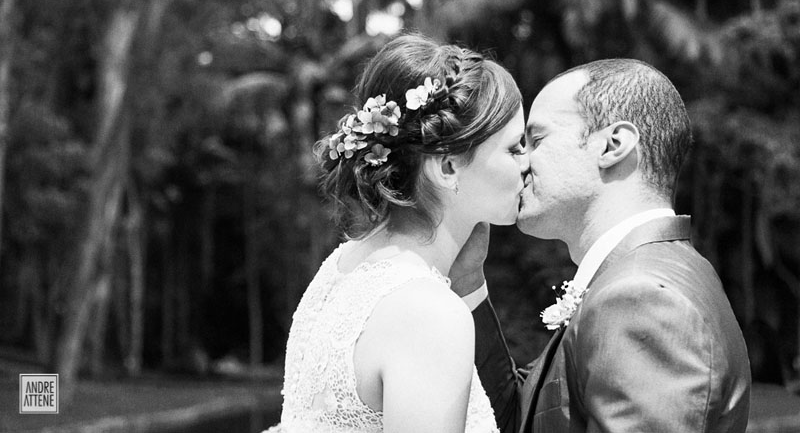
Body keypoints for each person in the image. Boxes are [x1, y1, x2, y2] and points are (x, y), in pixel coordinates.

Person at [450, 58, 752, 432]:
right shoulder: (641, 280)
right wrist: (468, 280)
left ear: (614, 145)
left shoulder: (643, 299)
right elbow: (521, 421)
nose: (520, 163)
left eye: (536, 140)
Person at [270, 33, 527, 433]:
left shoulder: (341, 267)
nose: (528, 163)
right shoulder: (429, 313)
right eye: (515, 148)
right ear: (447, 167)